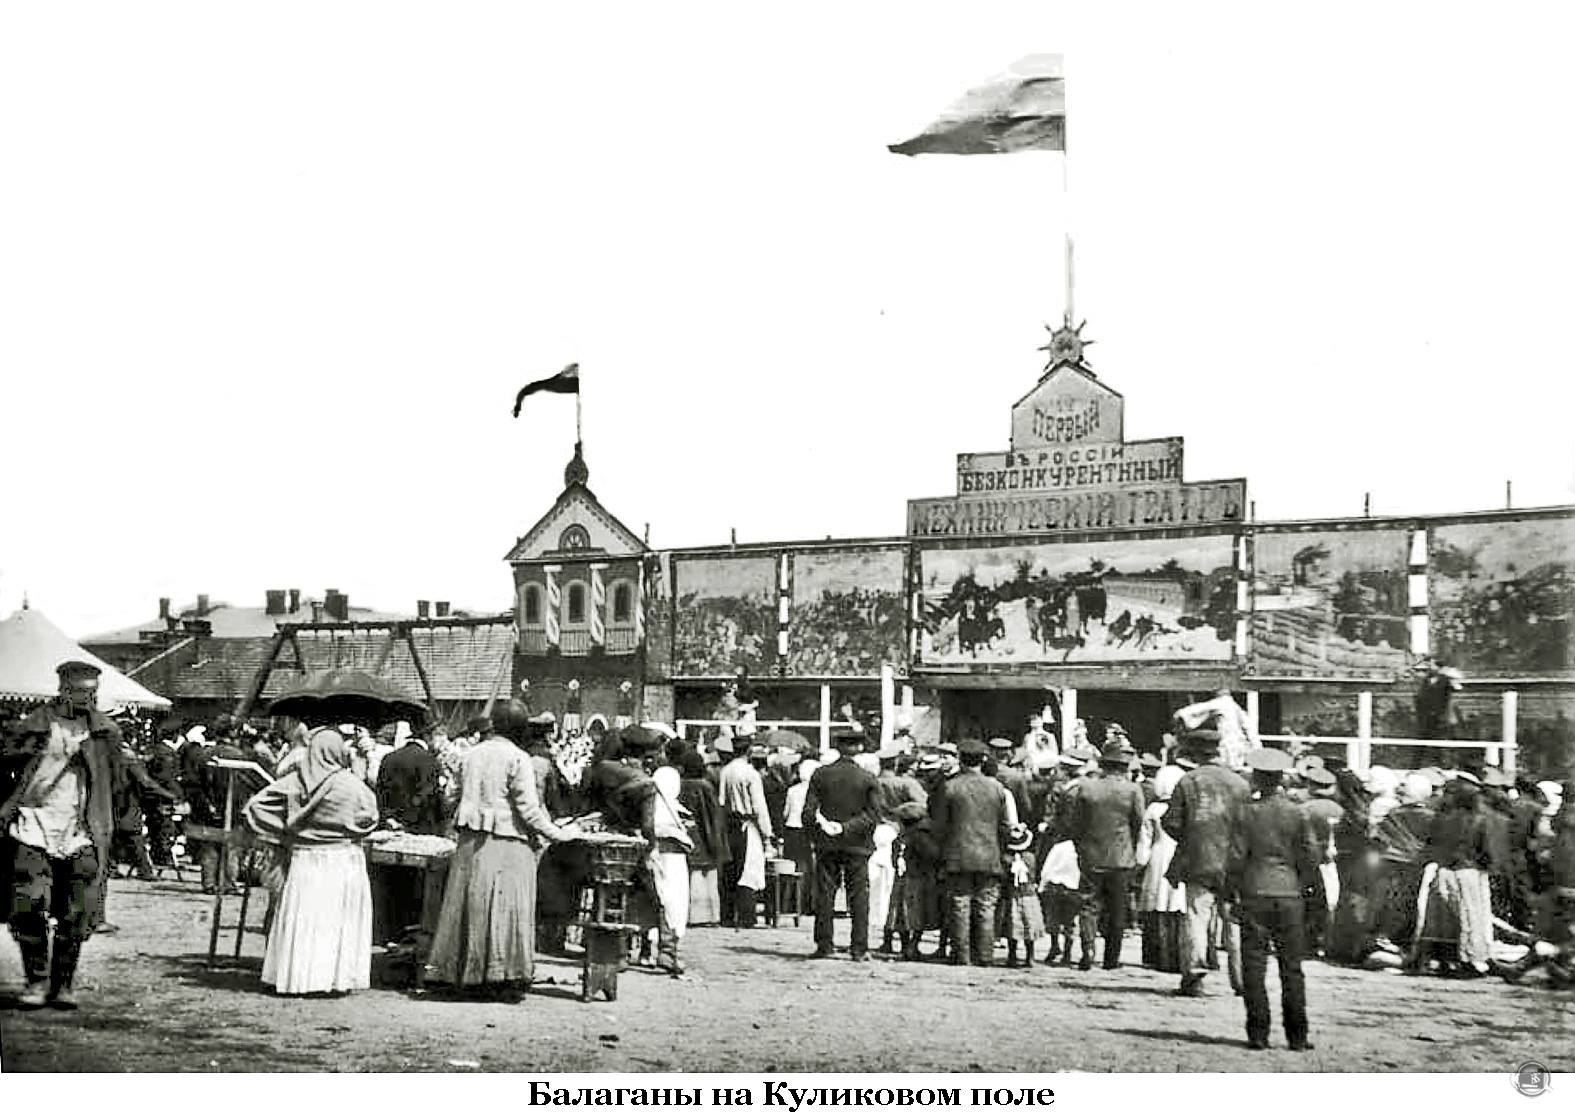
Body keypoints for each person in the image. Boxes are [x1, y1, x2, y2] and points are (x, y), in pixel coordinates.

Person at [425, 700, 577, 998]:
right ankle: (502, 977)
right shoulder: (518, 758)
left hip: (470, 843)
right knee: (506, 911)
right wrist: (559, 834)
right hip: (509, 844)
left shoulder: (468, 756)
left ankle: (463, 974)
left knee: (469, 908)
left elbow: (449, 798)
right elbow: (529, 812)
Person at [0, 661, 125, 1009]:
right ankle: (36, 981)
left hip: (81, 830)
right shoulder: (34, 726)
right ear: (63, 690)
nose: (86, 699)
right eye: (80, 691)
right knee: (28, 904)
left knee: (77, 911)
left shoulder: (104, 733)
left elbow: (119, 782)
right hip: (33, 824)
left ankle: (64, 984)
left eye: (92, 693)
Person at [242, 728, 380, 996]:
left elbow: (255, 807)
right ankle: (332, 979)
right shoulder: (350, 783)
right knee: (336, 921)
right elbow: (370, 816)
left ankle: (298, 977)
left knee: (305, 919)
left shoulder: (295, 782)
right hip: (342, 858)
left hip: (306, 858)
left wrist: (285, 829)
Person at [1228, 746, 1322, 1052]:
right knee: (1292, 968)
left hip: (1254, 892)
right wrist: (1309, 891)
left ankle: (1258, 1033)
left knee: (1254, 966)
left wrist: (1231, 892)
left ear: (1256, 777)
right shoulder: (1297, 812)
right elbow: (1310, 856)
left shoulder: (1245, 813)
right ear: (1281, 777)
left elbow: (1236, 858)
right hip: (1289, 893)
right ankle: (1297, 1035)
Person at [1163, 731, 1250, 996]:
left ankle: (1194, 976)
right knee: (1234, 922)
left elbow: (1172, 822)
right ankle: (1242, 980)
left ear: (1195, 754)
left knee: (1196, 918)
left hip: (1198, 860)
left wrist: (1191, 838)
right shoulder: (1240, 784)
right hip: (1235, 863)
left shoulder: (1188, 782)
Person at [930, 738, 1011, 967]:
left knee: (959, 905)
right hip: (989, 855)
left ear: (960, 760)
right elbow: (1005, 826)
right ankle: (985, 956)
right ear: (983, 759)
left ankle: (961, 955)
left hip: (957, 855)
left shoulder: (950, 787)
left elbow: (939, 825)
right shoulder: (996, 787)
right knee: (986, 906)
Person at [1069, 741, 1147, 971]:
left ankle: (1088, 950)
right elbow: (1138, 822)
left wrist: (1081, 846)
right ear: (1124, 767)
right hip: (1121, 857)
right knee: (1117, 910)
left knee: (1088, 905)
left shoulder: (1086, 788)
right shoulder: (1133, 790)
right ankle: (1111, 959)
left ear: (1103, 765)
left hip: (1091, 855)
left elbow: (1076, 824)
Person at [804, 730, 881, 960]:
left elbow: (808, 812)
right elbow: (874, 814)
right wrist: (847, 828)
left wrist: (821, 832)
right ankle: (859, 948)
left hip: (827, 844)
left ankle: (824, 944)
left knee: (825, 894)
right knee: (858, 896)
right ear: (858, 748)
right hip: (857, 844)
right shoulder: (867, 778)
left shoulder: (820, 775)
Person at [718, 734, 772, 929]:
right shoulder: (751, 774)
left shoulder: (726, 771)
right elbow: (759, 805)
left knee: (730, 869)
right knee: (749, 869)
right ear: (748, 751)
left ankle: (727, 915)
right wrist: (767, 832)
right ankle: (747, 916)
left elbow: (722, 801)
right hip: (748, 824)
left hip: (729, 823)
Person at [1137, 764, 1188, 972]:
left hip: (1158, 857)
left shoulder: (1154, 810)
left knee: (1157, 901)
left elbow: (1144, 841)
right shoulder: (1185, 809)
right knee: (1178, 903)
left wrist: (1140, 862)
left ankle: (1156, 955)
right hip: (1180, 855)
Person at [677, 749, 730, 926]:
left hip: (687, 836)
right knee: (708, 876)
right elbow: (713, 816)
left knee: (693, 876)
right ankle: (709, 915)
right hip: (706, 836)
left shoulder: (680, 785)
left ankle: (692, 915)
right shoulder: (705, 786)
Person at [1000, 823, 1045, 968]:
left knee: (1012, 926)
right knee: (1029, 926)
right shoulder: (1031, 858)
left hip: (1012, 896)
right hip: (1030, 896)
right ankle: (1030, 957)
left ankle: (1012, 956)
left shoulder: (1006, 859)